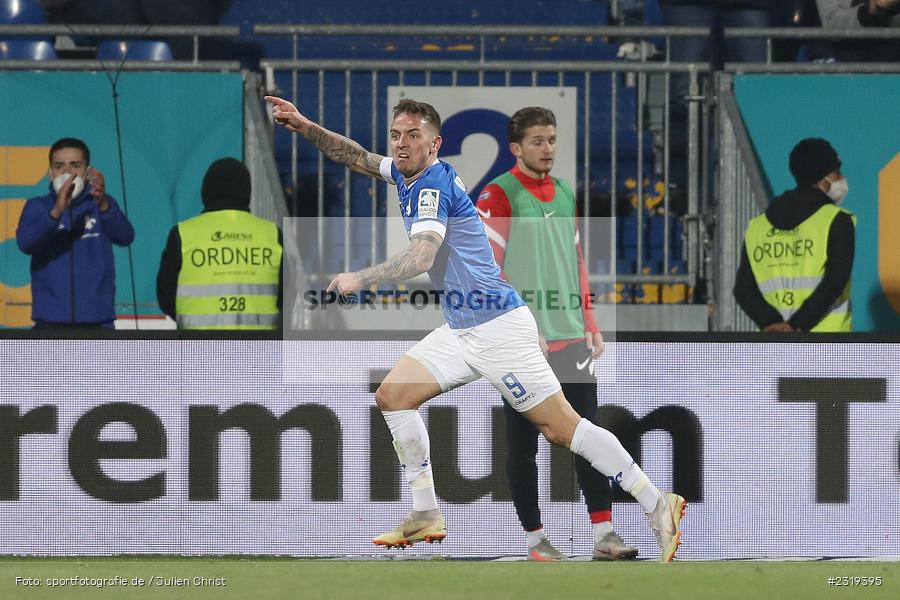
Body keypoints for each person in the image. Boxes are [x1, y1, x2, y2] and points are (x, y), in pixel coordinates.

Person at [265, 93, 687, 562]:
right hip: (462, 329)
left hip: (499, 329)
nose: (402, 144)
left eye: (414, 136)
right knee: (392, 396)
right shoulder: (410, 172)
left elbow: (421, 257)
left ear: (435, 143)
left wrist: (358, 278)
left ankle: (657, 503)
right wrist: (305, 125)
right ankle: (425, 513)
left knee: (562, 428)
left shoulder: (431, 189)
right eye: (396, 135)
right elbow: (359, 158)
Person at [476, 106, 637, 561]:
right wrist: (518, 328)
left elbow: (577, 261)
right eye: (537, 142)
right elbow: (488, 272)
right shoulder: (498, 195)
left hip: (570, 336)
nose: (547, 149)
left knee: (587, 433)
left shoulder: (565, 191)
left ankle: (604, 536)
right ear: (515, 148)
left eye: (551, 140)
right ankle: (535, 540)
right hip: (523, 344)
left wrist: (589, 320)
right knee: (523, 443)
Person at [733, 138, 855, 332]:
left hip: (775, 348)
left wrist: (773, 323)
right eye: (837, 172)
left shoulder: (758, 227)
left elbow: (743, 290)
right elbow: (835, 281)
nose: (841, 178)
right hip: (828, 347)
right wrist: (795, 326)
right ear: (822, 177)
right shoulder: (837, 220)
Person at [16, 137, 135, 328]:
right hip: (49, 322)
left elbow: (125, 237)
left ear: (87, 172)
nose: (67, 173)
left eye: (75, 165)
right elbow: (25, 244)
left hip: (97, 321)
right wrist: (56, 212)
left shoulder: (101, 205)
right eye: (59, 166)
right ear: (50, 173)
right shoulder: (37, 207)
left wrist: (104, 205)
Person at [156, 157, 282, 330]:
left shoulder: (183, 233)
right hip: (259, 350)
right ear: (246, 191)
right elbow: (287, 295)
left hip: (199, 349)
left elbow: (165, 294)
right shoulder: (272, 234)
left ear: (206, 191)